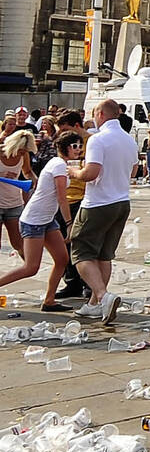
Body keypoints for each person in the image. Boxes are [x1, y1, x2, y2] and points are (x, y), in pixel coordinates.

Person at [69, 98, 139, 324]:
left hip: (98, 202)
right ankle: (95, 304)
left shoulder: (98, 140)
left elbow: (91, 172)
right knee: (104, 254)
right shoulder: (129, 139)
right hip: (122, 201)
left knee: (80, 250)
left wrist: (74, 173)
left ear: (100, 114)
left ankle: (102, 295)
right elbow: (134, 170)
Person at [0, 132, 81, 310]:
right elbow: (62, 197)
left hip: (46, 219)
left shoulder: (59, 164)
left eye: (80, 146)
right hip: (34, 220)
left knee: (62, 259)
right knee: (31, 267)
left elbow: (29, 173)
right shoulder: (58, 165)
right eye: (75, 146)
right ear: (65, 148)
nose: (79, 149)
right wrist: (68, 223)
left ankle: (49, 300)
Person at [54, 111, 91, 301]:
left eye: (65, 130)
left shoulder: (92, 143)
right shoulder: (65, 144)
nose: (62, 134)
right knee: (65, 243)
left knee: (81, 243)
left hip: (84, 198)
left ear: (77, 125)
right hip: (65, 199)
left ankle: (87, 283)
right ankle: (72, 282)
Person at [0, 129, 37, 261]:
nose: (23, 153)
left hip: (14, 203)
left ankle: (29, 267)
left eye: (25, 151)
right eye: (21, 150)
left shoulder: (24, 154)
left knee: (18, 243)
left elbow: (27, 172)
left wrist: (36, 181)